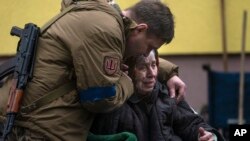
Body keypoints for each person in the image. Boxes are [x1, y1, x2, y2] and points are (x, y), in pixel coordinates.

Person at [0, 0, 185, 140]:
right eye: (149, 47)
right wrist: (126, 82)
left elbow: (116, 52)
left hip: (33, 120)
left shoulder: (103, 17)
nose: (147, 53)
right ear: (140, 29)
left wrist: (167, 72)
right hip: (39, 128)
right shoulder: (105, 30)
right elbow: (100, 99)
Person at [90, 49, 225, 141]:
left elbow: (191, 123)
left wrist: (209, 136)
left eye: (154, 65)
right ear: (127, 70)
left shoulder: (166, 95)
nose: (152, 74)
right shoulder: (114, 104)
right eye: (142, 67)